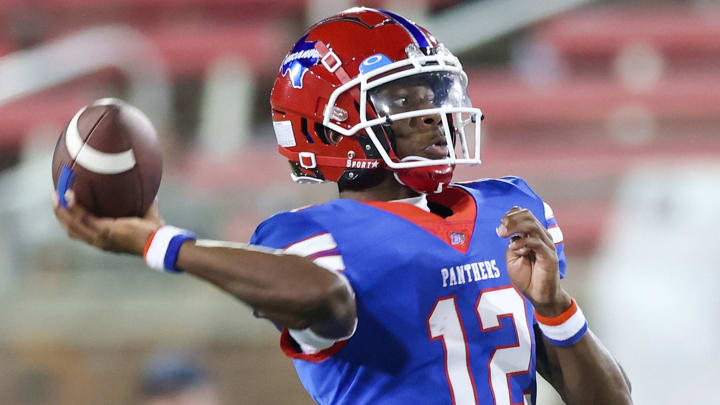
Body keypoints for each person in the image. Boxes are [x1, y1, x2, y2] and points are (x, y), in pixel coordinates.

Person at [53, 7, 632, 405]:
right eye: (404, 100)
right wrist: (160, 242)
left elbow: (613, 399)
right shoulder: (309, 238)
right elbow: (324, 297)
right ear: (330, 128)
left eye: (434, 95)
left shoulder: (509, 208)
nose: (433, 115)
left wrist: (557, 309)